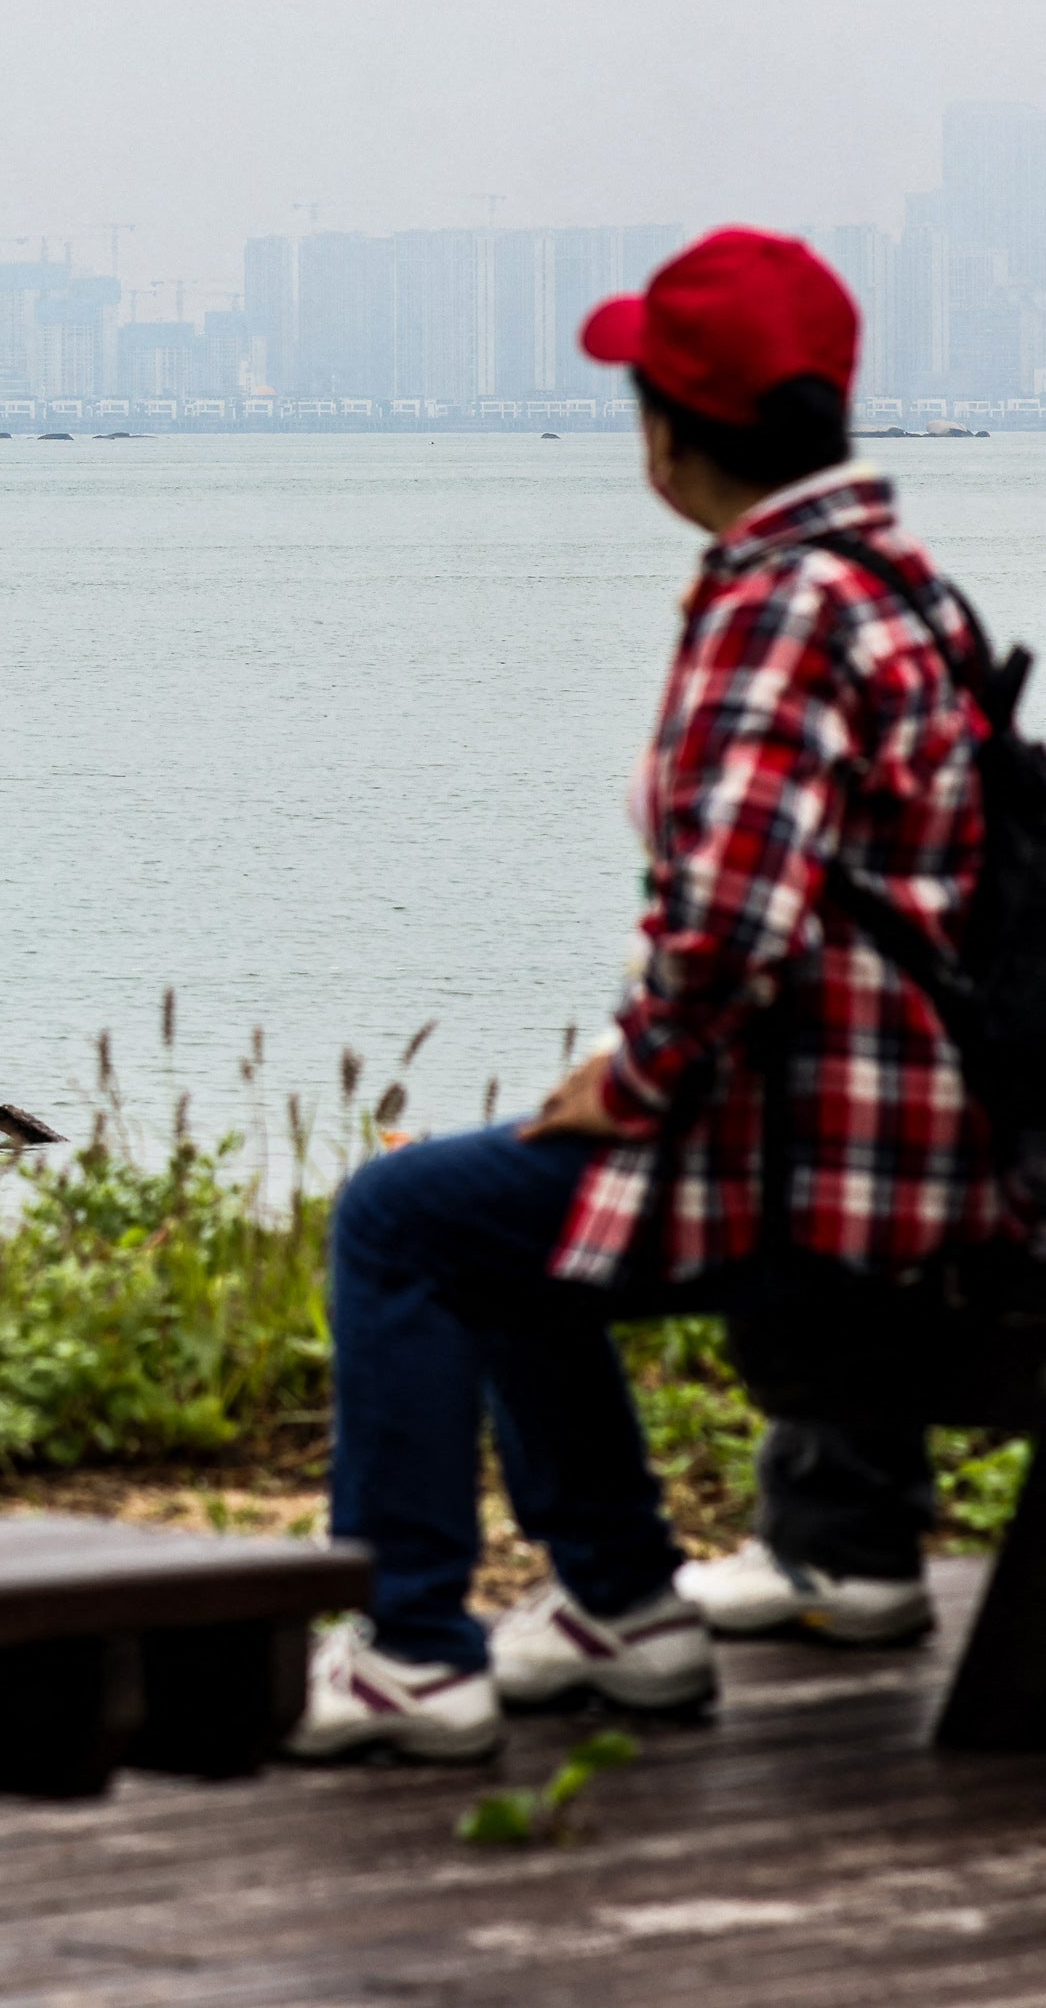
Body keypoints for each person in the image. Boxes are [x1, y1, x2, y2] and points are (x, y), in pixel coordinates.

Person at [288, 227, 1011, 1760]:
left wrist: (624, 1078)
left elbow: (730, 922)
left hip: (820, 1166)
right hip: (926, 1137)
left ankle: (412, 1644)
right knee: (502, 1219)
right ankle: (620, 1600)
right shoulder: (908, 593)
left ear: (670, 432)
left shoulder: (780, 601)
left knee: (399, 1216)